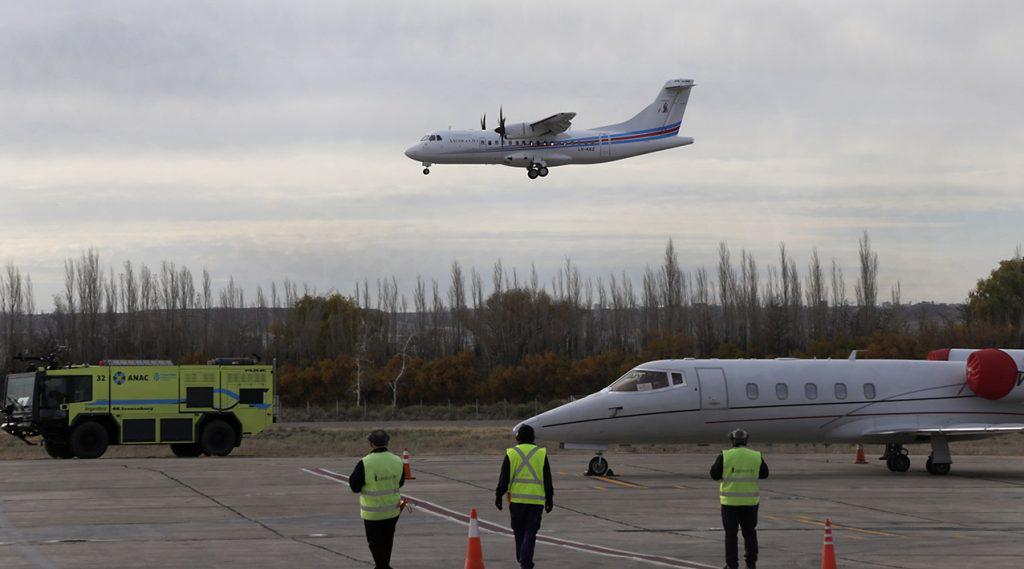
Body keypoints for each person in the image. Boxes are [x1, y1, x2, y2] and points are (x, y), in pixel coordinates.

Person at [494, 424, 553, 569]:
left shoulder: (511, 453)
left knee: (519, 531)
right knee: (531, 532)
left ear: (518, 438)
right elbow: (547, 478)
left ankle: (523, 560)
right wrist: (550, 498)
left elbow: (504, 478)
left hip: (517, 501)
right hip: (536, 501)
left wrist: (498, 495)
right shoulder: (540, 454)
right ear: (533, 438)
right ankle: (525, 560)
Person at [710, 428, 769, 569]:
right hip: (750, 503)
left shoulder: (725, 455)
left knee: (731, 535)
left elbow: (714, 474)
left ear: (732, 440)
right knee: (750, 533)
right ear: (746, 440)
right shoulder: (756, 455)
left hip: (730, 504)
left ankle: (732, 565)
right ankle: (751, 564)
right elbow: (764, 474)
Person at [349, 429, 405, 569]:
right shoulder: (397, 460)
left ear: (371, 444)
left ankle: (382, 566)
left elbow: (354, 487)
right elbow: (400, 482)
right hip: (392, 511)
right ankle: (384, 565)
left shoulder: (365, 462)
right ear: (387, 443)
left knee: (375, 542)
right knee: (387, 540)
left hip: (372, 513)